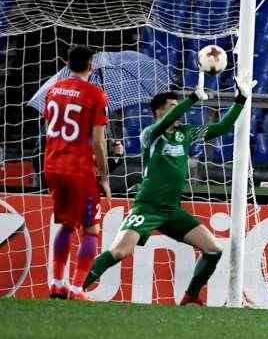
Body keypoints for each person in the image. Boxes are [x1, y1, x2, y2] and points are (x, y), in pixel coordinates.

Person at [82, 70, 256, 305]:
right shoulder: (150, 134)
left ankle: (190, 296)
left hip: (172, 210)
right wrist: (192, 98)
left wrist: (241, 99)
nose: (178, 111)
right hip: (148, 207)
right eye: (172, 107)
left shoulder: (186, 133)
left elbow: (222, 127)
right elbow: (165, 123)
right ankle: (76, 288)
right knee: (119, 251)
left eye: (178, 106)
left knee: (214, 250)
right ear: (159, 112)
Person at [42, 45, 111, 300]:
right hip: (79, 170)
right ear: (91, 66)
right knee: (90, 229)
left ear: (67, 64)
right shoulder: (96, 94)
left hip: (53, 165)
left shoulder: (53, 90)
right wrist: (104, 176)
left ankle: (57, 283)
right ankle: (77, 288)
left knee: (66, 224)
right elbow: (99, 142)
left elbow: (49, 127)